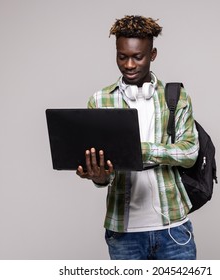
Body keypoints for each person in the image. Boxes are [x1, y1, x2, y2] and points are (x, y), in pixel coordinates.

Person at [76, 15, 199, 260]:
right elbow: (105, 174)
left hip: (173, 227)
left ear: (152, 55)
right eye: (122, 57)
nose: (129, 65)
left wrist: (139, 150)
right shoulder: (100, 101)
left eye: (137, 57)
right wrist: (99, 176)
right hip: (124, 232)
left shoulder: (175, 97)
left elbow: (189, 153)